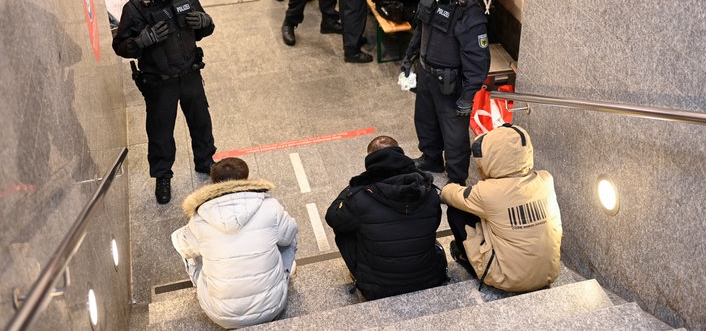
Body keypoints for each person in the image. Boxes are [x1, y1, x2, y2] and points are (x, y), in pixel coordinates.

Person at [113, 0, 216, 204]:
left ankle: (205, 162)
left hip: (190, 74)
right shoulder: (136, 8)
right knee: (160, 133)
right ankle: (162, 177)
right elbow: (120, 46)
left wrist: (205, 22)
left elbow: (206, 28)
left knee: (201, 122)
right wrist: (142, 41)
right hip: (160, 83)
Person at [171, 157, 299, 328]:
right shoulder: (270, 207)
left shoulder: (199, 218)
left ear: (213, 181)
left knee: (188, 247)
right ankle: (286, 271)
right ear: (245, 179)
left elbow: (183, 247)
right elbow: (290, 236)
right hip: (272, 306)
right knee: (286, 236)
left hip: (221, 315)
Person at [441, 125, 563, 292]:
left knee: (457, 212)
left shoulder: (487, 192)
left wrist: (449, 186)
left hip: (506, 279)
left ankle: (466, 258)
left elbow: (450, 195)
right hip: (549, 273)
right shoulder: (545, 179)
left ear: (491, 158)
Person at [324, 136, 448, 300]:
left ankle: (360, 273)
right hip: (430, 279)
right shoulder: (428, 190)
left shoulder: (360, 197)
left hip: (378, 289)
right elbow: (435, 223)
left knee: (344, 228)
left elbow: (332, 217)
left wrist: (354, 186)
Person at [403, 0, 490, 185]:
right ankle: (431, 159)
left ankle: (456, 178)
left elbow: (478, 60)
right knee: (425, 122)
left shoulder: (469, 13)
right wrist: (408, 59)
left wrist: (468, 96)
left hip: (451, 85)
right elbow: (420, 32)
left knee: (454, 136)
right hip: (426, 75)